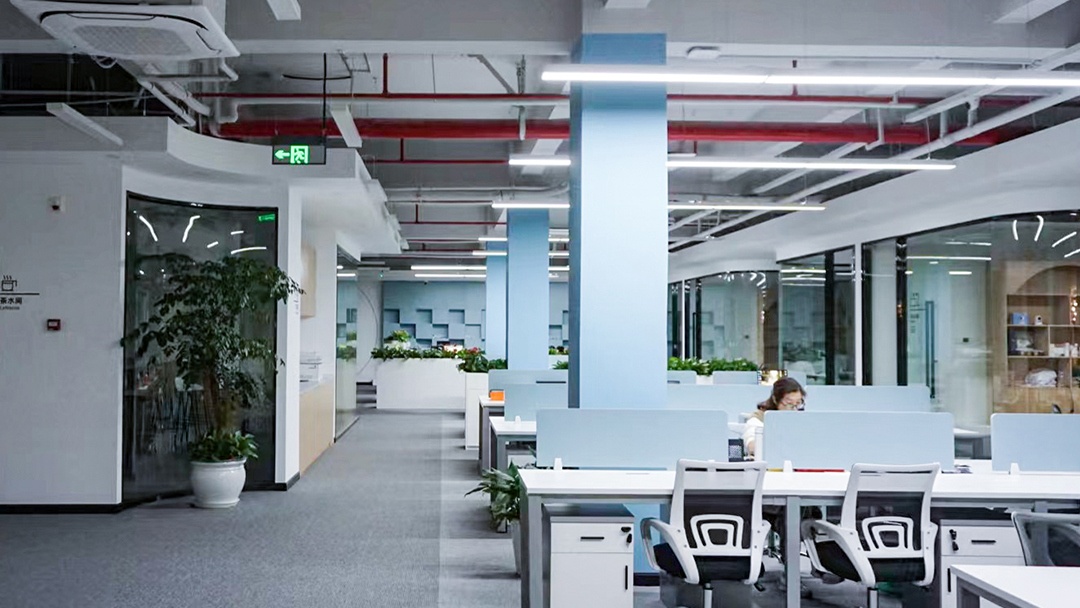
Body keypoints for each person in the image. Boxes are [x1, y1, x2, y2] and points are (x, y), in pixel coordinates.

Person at [742, 376, 805, 458]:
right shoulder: (759, 418)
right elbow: (752, 445)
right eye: (789, 403)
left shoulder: (802, 419)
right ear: (775, 399)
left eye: (798, 403)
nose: (794, 409)